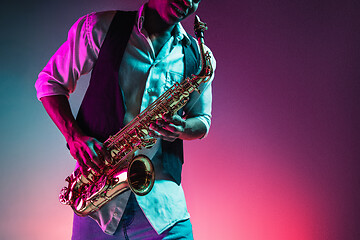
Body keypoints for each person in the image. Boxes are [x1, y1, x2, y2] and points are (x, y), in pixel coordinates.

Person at [35, 0, 215, 239]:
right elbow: (50, 82)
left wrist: (182, 128)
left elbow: (202, 120)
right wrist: (74, 135)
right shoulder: (100, 27)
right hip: (98, 204)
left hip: (162, 206)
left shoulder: (200, 58)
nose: (187, 2)